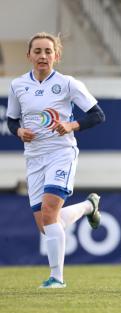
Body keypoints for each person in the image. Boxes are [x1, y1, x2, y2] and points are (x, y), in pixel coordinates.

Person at [6, 32, 106, 288]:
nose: (42, 56)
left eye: (48, 51)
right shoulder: (18, 86)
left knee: (50, 213)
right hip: (34, 158)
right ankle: (87, 207)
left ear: (56, 56)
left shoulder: (68, 83)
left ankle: (56, 278)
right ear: (29, 55)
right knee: (47, 225)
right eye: (37, 51)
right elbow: (11, 119)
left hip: (61, 153)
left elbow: (97, 115)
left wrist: (71, 124)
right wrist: (18, 131)